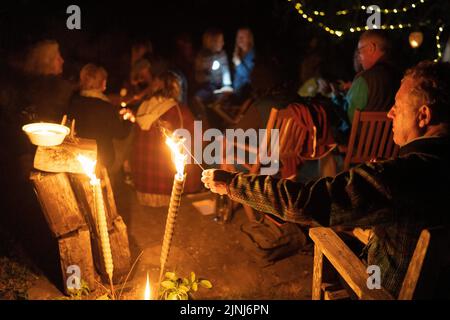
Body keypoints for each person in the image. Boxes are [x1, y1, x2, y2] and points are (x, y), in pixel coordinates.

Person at [201, 60, 450, 298]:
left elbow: (304, 202)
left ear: (424, 115)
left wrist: (233, 183)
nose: (389, 114)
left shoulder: (399, 176)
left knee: (323, 236)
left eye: (397, 106)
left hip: (383, 291)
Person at [130, 71, 202, 207]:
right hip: (167, 189)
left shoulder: (142, 108)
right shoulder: (178, 110)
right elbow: (198, 138)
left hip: (141, 186)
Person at [333, 30, 402, 138]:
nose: (359, 59)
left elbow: (349, 117)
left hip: (362, 147)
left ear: (371, 48)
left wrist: (336, 97)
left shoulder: (365, 78)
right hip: (393, 146)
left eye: (360, 51)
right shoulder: (401, 76)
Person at [68, 64, 133, 172]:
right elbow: (120, 133)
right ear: (102, 82)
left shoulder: (73, 102)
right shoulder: (105, 107)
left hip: (77, 155)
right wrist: (128, 120)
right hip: (101, 158)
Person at [21, 40, 75, 122]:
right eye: (58, 58)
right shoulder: (59, 88)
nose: (62, 60)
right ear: (47, 61)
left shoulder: (28, 85)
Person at [193, 28, 232, 119]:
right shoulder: (202, 56)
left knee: (219, 103)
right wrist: (205, 70)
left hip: (219, 87)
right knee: (196, 99)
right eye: (220, 41)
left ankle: (226, 121)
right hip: (206, 87)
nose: (223, 43)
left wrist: (227, 85)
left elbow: (226, 71)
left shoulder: (222, 55)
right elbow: (198, 75)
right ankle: (204, 119)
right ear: (212, 42)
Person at [232, 27, 255, 100]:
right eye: (238, 36)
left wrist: (238, 63)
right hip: (236, 90)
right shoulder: (239, 53)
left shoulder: (252, 54)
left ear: (249, 39)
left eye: (243, 37)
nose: (240, 39)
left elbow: (250, 76)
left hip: (245, 93)